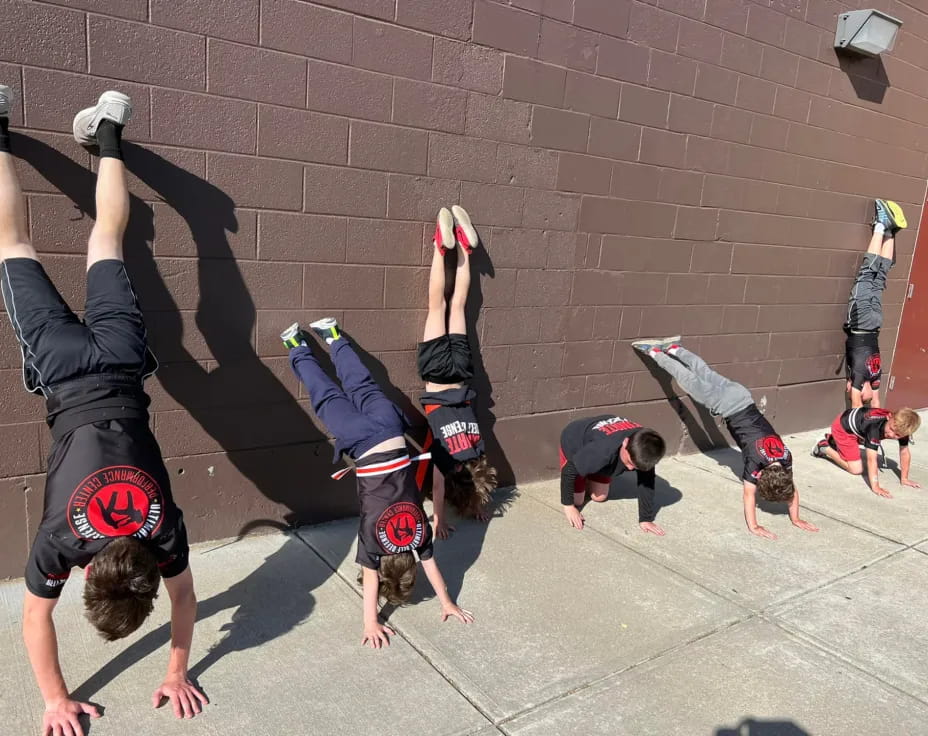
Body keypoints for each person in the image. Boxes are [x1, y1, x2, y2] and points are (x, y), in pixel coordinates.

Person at [0, 88, 205, 736]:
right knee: (12, 243)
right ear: (87, 576)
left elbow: (186, 600)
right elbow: (35, 620)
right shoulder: (62, 540)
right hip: (62, 372)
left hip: (120, 363)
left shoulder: (164, 532)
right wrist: (56, 701)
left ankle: (110, 130)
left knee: (108, 239)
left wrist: (176, 668)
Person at [282, 319, 473, 648]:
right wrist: (370, 621)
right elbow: (370, 581)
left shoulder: (420, 534)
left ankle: (333, 336)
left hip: (389, 430)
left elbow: (433, 568)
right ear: (384, 566)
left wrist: (447, 601)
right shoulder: (373, 543)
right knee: (326, 397)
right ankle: (295, 345)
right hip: (360, 439)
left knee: (362, 385)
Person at [633, 337, 818, 540]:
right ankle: (653, 352)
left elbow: (791, 490)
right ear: (761, 477)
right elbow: (749, 495)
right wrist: (754, 526)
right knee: (686, 378)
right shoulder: (756, 463)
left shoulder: (786, 457)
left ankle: (675, 349)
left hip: (742, 395)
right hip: (726, 405)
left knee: (705, 372)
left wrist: (796, 518)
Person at [418, 206, 497, 539]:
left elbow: (477, 479)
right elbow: (437, 489)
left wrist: (479, 505)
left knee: (459, 303)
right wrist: (439, 520)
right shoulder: (446, 461)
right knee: (438, 304)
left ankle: (463, 248)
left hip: (463, 373)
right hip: (436, 375)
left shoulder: (477, 451)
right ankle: (441, 246)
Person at [843, 199, 907, 408]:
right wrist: (861, 425)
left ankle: (890, 232)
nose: (849, 390)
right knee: (867, 274)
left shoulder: (876, 375)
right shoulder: (861, 377)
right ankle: (880, 225)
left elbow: (877, 402)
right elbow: (856, 407)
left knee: (879, 279)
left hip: (876, 323)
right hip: (861, 323)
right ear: (862, 392)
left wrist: (876, 418)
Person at [558, 414, 667, 535]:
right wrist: (569, 507)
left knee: (599, 497)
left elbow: (647, 483)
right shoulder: (603, 450)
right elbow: (569, 471)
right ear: (625, 443)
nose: (631, 468)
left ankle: (589, 467)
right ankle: (585, 467)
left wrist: (645, 519)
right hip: (575, 441)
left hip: (599, 449)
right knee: (577, 501)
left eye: (636, 467)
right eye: (630, 462)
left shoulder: (645, 449)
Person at [813, 406, 921, 497]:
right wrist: (875, 487)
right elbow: (871, 460)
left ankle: (833, 441)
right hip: (843, 428)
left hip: (856, 426)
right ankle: (824, 446)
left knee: (864, 441)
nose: (892, 435)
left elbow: (904, 452)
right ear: (889, 417)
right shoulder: (874, 428)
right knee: (856, 469)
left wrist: (904, 478)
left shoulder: (900, 427)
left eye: (898, 435)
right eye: (891, 429)